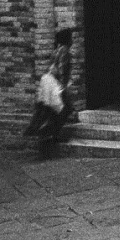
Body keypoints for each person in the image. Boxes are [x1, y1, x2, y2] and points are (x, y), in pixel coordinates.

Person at [24, 29, 72, 158]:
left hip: (48, 81)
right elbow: (61, 69)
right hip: (55, 84)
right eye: (70, 37)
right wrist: (63, 87)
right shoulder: (64, 51)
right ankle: (51, 134)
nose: (72, 40)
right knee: (65, 109)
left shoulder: (57, 50)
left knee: (54, 109)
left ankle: (50, 135)